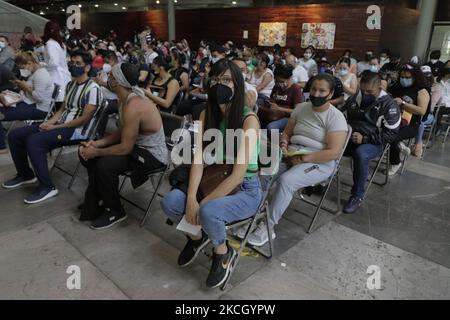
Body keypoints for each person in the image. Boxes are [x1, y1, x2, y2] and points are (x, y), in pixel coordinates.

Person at [160, 59, 261, 288]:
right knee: (171, 202)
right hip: (214, 177)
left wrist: (200, 202)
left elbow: (238, 175)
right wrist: (191, 198)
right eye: (214, 80)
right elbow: (198, 159)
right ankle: (197, 238)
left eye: (226, 80)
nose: (219, 85)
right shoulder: (207, 114)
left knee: (207, 210)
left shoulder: (248, 120)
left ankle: (222, 251)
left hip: (244, 188)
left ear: (237, 84)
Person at [237, 73, 348, 246]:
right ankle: (251, 218)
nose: (317, 94)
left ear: (331, 94)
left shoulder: (336, 117)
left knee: (286, 181)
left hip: (319, 160)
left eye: (322, 91)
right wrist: (283, 143)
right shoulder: (301, 108)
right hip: (292, 153)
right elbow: (288, 132)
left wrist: (304, 158)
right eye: (314, 89)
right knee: (262, 176)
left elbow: (333, 153)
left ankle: (268, 226)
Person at [1, 51, 103, 204]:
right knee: (15, 135)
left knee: (34, 141)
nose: (73, 66)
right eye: (72, 62)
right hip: (61, 124)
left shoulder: (93, 89)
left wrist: (56, 127)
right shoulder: (71, 84)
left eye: (78, 64)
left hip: (77, 131)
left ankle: (47, 187)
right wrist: (50, 122)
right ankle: (26, 175)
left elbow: (84, 119)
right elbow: (62, 109)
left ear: (87, 68)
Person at [78, 62, 168, 229]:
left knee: (105, 164)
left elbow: (125, 147)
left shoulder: (134, 105)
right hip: (136, 147)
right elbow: (123, 132)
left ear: (117, 81)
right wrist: (97, 144)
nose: (107, 79)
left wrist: (96, 152)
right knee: (86, 153)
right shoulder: (125, 98)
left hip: (152, 155)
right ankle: (98, 197)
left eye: (110, 76)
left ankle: (116, 210)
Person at [343, 71, 401, 213]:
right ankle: (322, 180)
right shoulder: (354, 98)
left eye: (370, 91)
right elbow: (342, 117)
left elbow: (391, 135)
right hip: (351, 136)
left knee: (361, 154)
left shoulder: (389, 106)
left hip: (375, 142)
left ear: (380, 88)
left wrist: (365, 139)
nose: (365, 94)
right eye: (363, 90)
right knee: (330, 145)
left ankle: (357, 196)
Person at [0, 51, 53, 153]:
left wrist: (24, 87)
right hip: (28, 103)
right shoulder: (35, 73)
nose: (22, 70)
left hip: (38, 109)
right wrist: (20, 84)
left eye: (22, 67)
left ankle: (1, 147)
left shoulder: (41, 75)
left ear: (29, 63)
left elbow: (40, 98)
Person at [388, 63, 430, 176]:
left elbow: (422, 111)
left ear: (415, 77)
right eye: (402, 77)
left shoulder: (422, 91)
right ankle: (400, 146)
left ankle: (396, 162)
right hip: (392, 120)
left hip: (410, 125)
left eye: (407, 78)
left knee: (391, 137)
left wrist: (403, 103)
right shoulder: (396, 87)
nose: (404, 79)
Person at [263, 65, 303, 132]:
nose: (279, 84)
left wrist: (279, 108)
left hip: (288, 117)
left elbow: (297, 111)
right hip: (274, 114)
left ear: (290, 78)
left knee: (271, 128)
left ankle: (276, 142)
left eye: (281, 81)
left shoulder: (295, 89)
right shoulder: (277, 87)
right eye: (277, 81)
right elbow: (272, 99)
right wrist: (270, 103)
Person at [42, 21, 71, 106]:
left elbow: (54, 63)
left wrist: (43, 65)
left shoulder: (50, 44)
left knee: (57, 103)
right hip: (63, 75)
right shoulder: (60, 43)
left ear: (49, 30)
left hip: (56, 76)